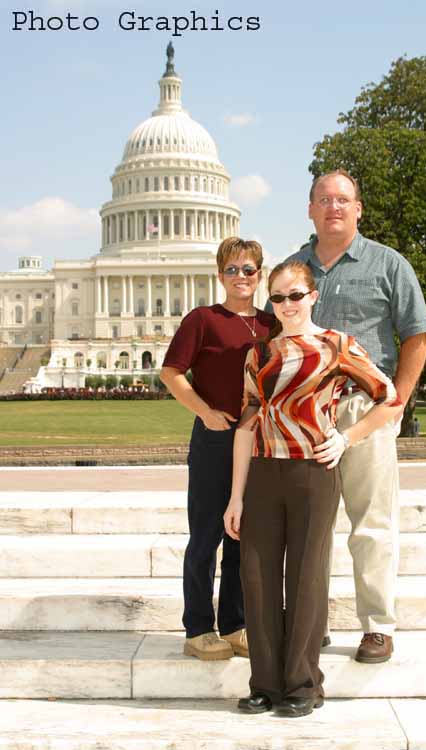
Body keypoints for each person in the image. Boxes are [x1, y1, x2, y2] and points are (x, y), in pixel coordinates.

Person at [224, 260, 401, 717]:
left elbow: (388, 396)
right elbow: (246, 425)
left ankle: (304, 684)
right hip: (263, 471)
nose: (287, 305)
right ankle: (264, 684)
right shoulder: (258, 353)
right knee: (257, 580)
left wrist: (347, 438)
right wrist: (236, 496)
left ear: (312, 296)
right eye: (278, 298)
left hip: (313, 474)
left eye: (295, 295)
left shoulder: (336, 345)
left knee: (306, 579)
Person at [285, 169, 426, 662]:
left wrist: (397, 403)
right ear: (310, 209)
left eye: (343, 199)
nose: (334, 207)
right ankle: (311, 622)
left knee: (370, 521)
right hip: (304, 412)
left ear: (358, 208)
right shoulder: (291, 271)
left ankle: (377, 625)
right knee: (310, 524)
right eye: (324, 199)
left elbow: (417, 335)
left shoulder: (389, 265)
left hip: (365, 409)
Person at [160, 237, 274, 661]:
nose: (240, 277)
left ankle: (234, 623)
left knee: (243, 535)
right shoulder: (203, 320)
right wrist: (205, 411)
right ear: (219, 274)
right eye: (232, 270)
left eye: (248, 270)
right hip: (215, 436)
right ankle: (197, 627)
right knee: (206, 535)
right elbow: (171, 373)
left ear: (259, 274)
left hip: (259, 439)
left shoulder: (271, 323)